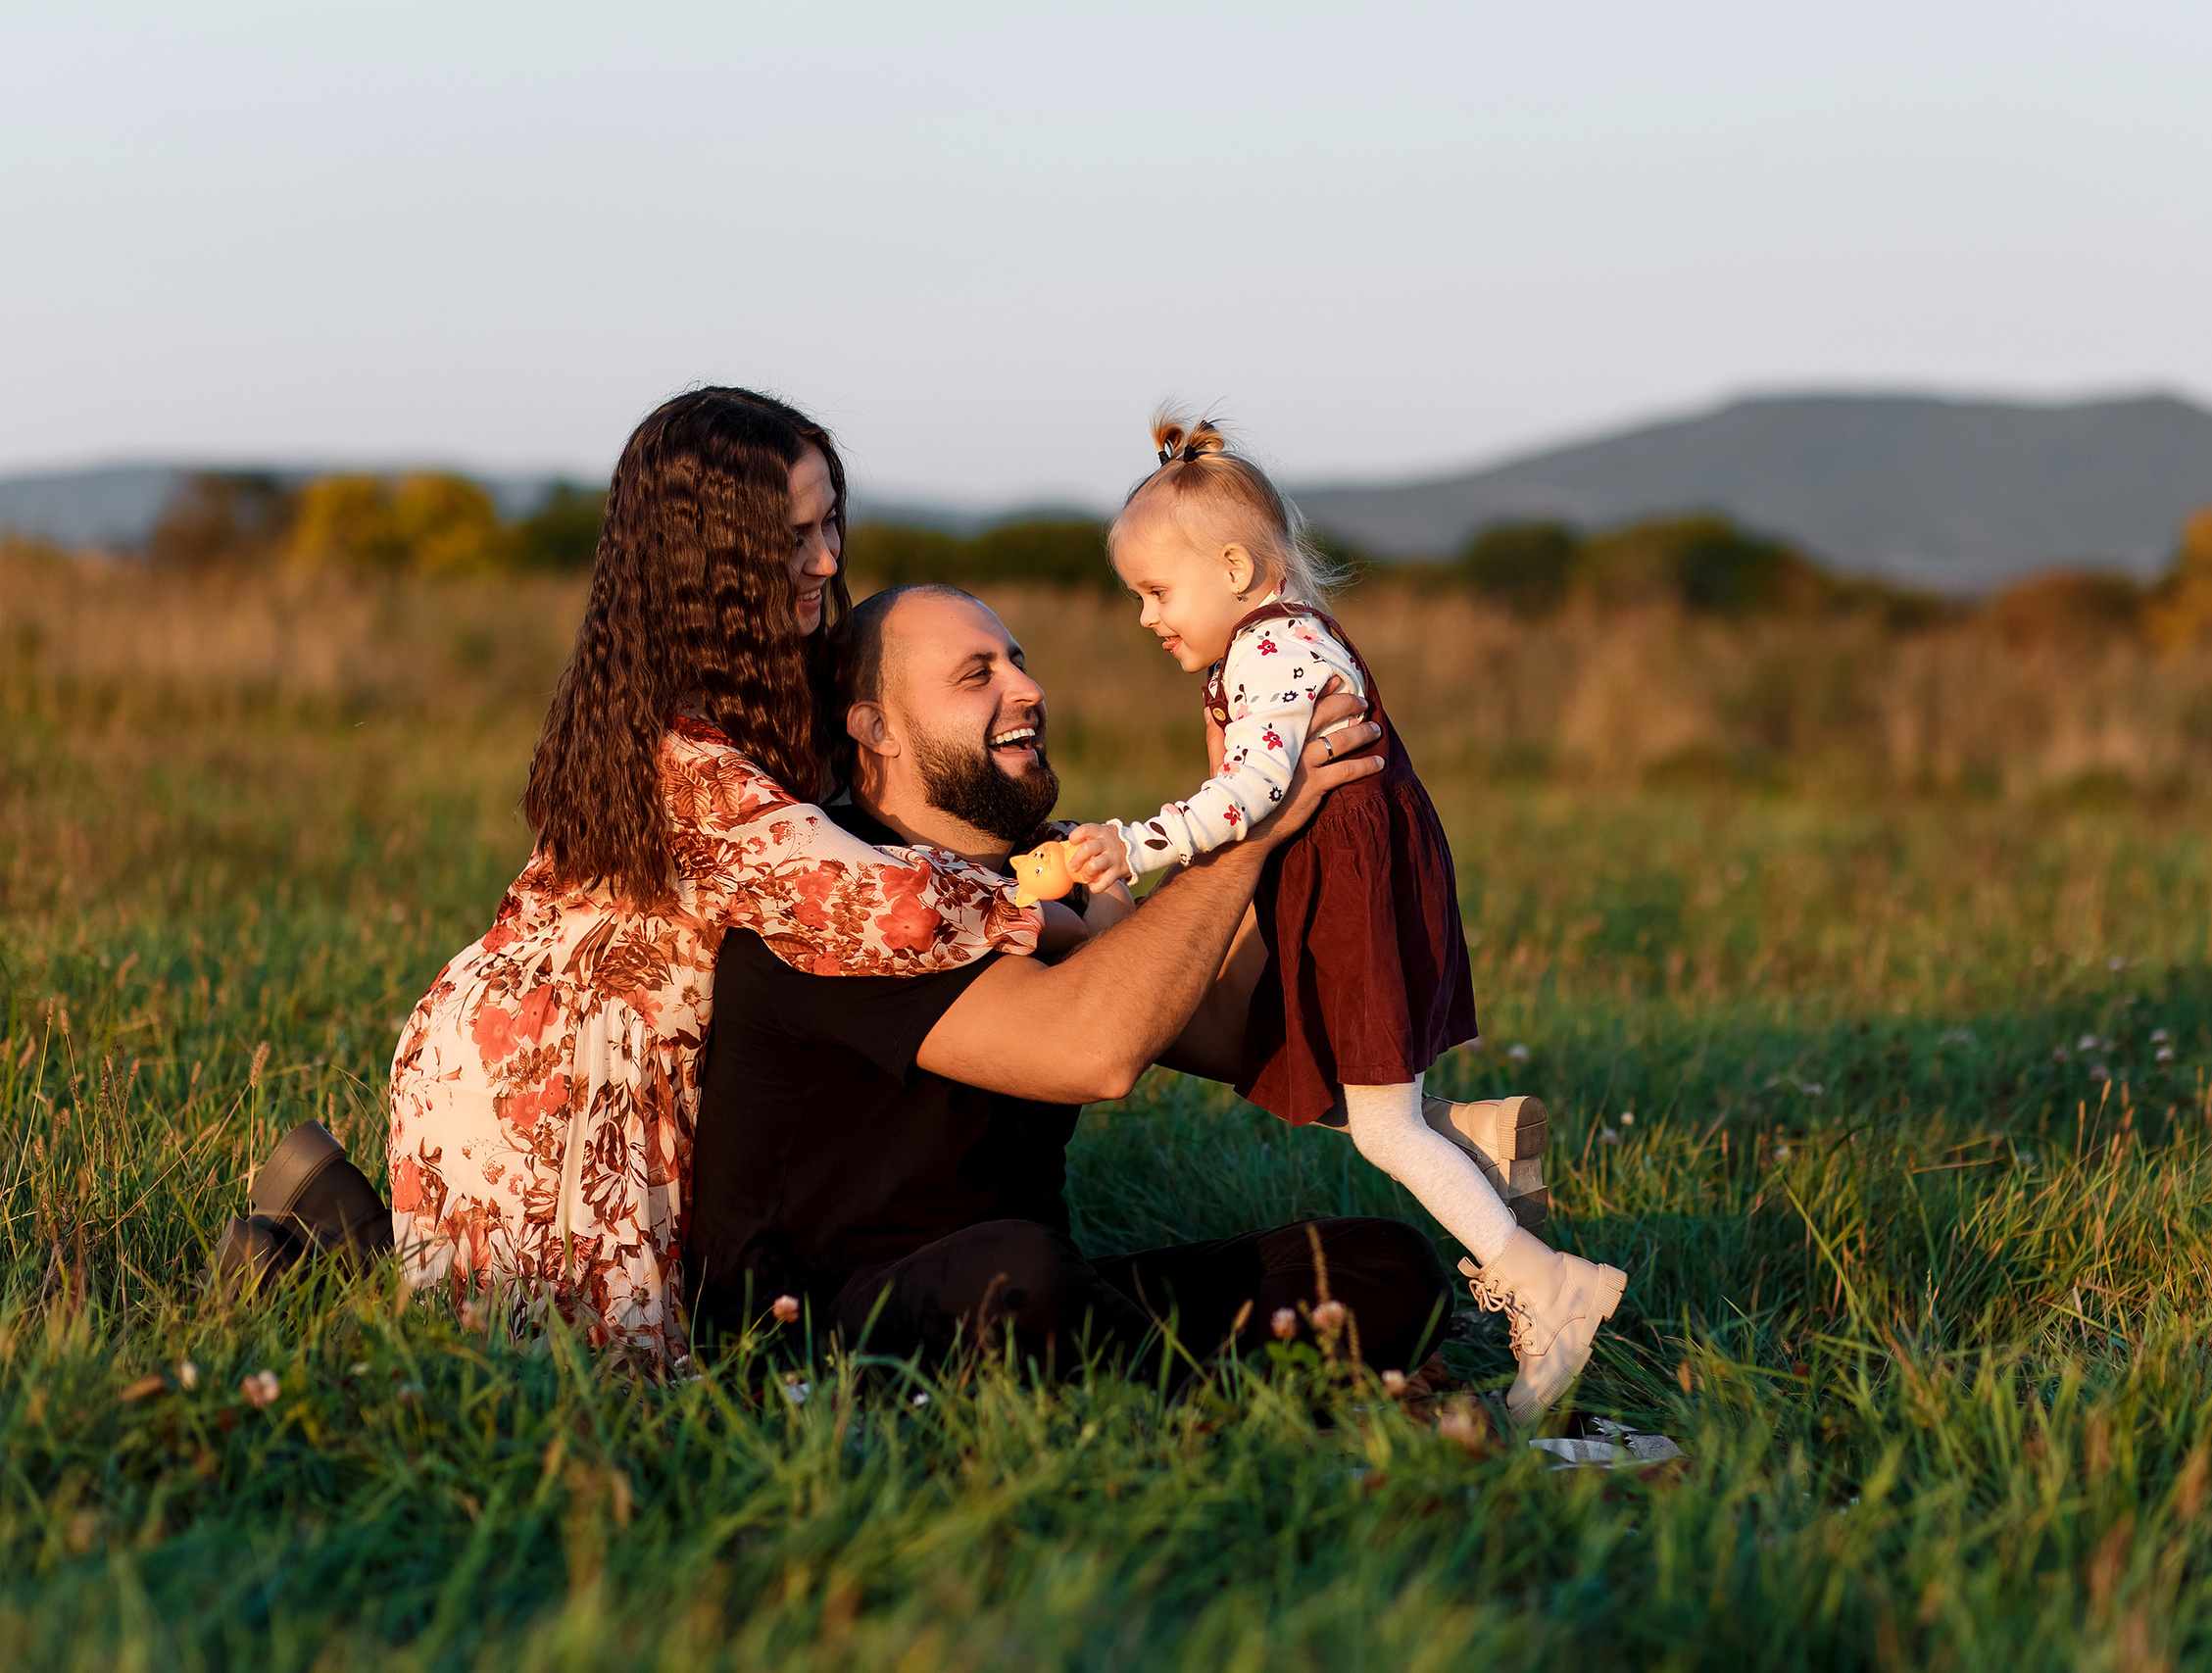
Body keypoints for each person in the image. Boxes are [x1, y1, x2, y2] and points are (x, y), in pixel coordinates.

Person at [380, 388, 1064, 1359]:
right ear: (712, 564)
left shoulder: (763, 687)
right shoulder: (686, 756)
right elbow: (885, 906)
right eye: (793, 538)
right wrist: (1058, 903)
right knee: (592, 1390)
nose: (826, 559)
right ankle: (312, 1243)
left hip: (595, 1062)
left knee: (530, 1344)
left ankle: (319, 1222)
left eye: (829, 523)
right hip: (556, 1084)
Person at [684, 583, 1459, 1380]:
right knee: (1019, 1272)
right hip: (813, 1323)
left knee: (1383, 1267)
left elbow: (1226, 1028)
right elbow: (1094, 1051)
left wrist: (1270, 799)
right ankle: (1209, 1401)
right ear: (876, 728)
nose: (1028, 688)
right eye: (977, 674)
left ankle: (1160, 1387)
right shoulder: (835, 896)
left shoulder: (1052, 872)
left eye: (1018, 662)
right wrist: (1246, 837)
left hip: (1038, 1290)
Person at [1041, 410, 1623, 1421]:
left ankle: (1545, 1285)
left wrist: (1136, 844)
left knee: (1381, 1128)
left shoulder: (1274, 648)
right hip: (1339, 885)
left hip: (1347, 896)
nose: (1144, 617)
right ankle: (1472, 1135)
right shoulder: (1277, 641)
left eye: (1155, 592)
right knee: (1315, 1071)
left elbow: (1257, 788)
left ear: (1233, 568)